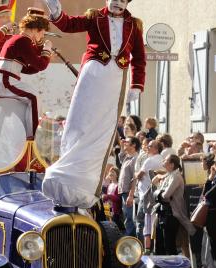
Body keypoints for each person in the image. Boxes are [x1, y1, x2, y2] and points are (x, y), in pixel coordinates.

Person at [42, 0, 146, 209]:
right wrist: (56, 11)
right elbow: (69, 25)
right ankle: (67, 172)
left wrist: (136, 85)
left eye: (123, 0)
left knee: (103, 131)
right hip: (93, 74)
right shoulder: (94, 16)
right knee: (81, 123)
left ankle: (86, 185)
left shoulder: (134, 24)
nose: (118, 3)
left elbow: (139, 58)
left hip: (116, 79)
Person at [0, 8, 53, 139]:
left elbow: (28, 69)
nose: (42, 37)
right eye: (42, 33)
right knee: (34, 97)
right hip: (6, 81)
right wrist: (46, 51)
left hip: (5, 79)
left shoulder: (18, 40)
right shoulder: (23, 41)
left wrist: (44, 56)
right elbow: (40, 64)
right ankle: (34, 137)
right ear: (36, 29)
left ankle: (28, 133)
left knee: (31, 99)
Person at [152, 154, 195, 255]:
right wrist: (158, 189)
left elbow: (166, 195)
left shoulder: (176, 176)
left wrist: (158, 190)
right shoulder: (169, 174)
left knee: (169, 244)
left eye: (165, 160)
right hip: (163, 212)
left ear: (172, 164)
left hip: (171, 214)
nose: (163, 162)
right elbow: (162, 193)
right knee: (160, 243)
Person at [134, 140, 164, 253]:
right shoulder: (162, 159)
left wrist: (136, 174)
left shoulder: (150, 160)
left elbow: (139, 175)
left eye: (150, 146)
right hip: (155, 194)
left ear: (156, 149)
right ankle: (150, 248)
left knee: (141, 221)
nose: (147, 147)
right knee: (151, 221)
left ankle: (141, 249)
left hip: (146, 194)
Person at [118, 137, 139, 236]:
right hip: (124, 191)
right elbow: (120, 157)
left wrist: (131, 195)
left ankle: (130, 240)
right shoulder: (127, 156)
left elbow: (135, 178)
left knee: (130, 217)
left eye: (127, 142)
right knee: (127, 216)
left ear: (134, 145)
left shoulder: (135, 159)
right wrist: (122, 146)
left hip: (129, 192)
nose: (124, 142)